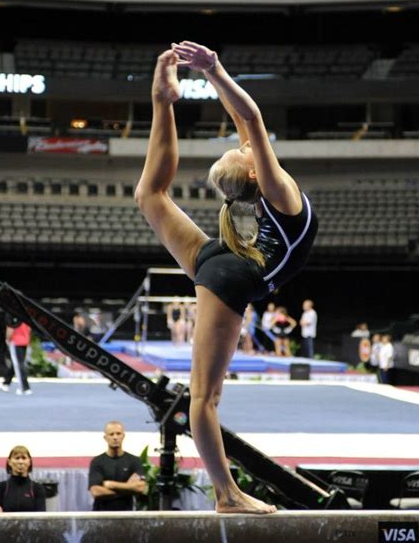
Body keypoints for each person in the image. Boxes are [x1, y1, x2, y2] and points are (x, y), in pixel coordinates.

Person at [135, 40, 317, 514]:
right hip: (234, 274)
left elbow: (247, 125)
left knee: (150, 196)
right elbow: (251, 120)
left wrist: (172, 92)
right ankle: (226, 494)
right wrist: (213, 71)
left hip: (224, 259)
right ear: (255, 175)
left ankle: (161, 103)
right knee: (204, 397)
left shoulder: (262, 190)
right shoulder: (277, 192)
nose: (245, 146)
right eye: (245, 153)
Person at [88, 421, 146, 511]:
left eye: (118, 434)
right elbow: (96, 491)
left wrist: (111, 484)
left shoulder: (134, 461)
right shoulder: (97, 462)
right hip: (101, 515)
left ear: (123, 436)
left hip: (126, 515)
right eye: (111, 434)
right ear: (105, 438)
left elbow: (140, 487)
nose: (115, 437)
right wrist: (128, 489)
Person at [0, 445, 45, 512]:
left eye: (24, 458)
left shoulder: (38, 489)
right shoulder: (0, 488)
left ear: (29, 462)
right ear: (9, 462)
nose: (20, 462)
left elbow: (41, 518)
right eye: (17, 458)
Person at [0, 321, 32, 395]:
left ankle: (25, 387)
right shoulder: (25, 317)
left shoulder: (12, 316)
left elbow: (10, 328)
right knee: (16, 363)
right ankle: (6, 382)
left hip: (16, 341)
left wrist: (7, 339)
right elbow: (29, 329)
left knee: (19, 364)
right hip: (25, 340)